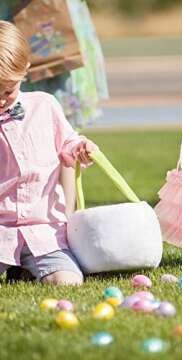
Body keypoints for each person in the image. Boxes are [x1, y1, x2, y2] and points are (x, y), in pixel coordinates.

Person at [0, 20, 98, 285]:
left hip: (44, 232)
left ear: (25, 72)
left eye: (8, 91)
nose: (0, 99)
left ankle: (26, 269)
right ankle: (18, 268)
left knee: (68, 281)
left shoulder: (44, 105)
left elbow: (68, 143)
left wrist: (81, 148)